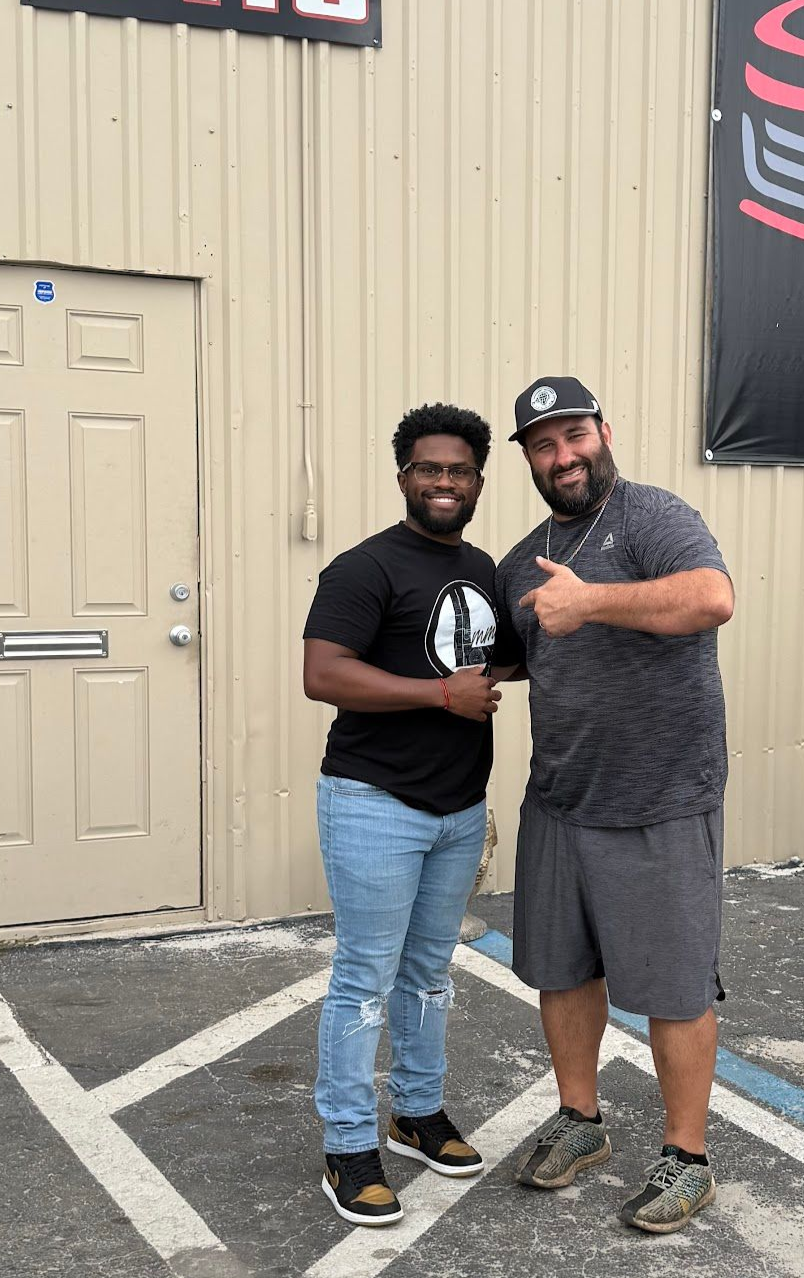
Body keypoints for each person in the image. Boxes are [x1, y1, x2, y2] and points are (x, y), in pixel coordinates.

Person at [494, 375, 736, 1234]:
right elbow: (519, 659)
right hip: (562, 797)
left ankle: (687, 1158)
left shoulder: (651, 517)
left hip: (660, 796)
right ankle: (580, 1122)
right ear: (527, 458)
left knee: (673, 986)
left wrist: (590, 599)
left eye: (574, 436)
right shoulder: (520, 559)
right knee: (562, 970)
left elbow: (713, 598)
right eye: (543, 445)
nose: (564, 456)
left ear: (603, 431)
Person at [301, 403, 519, 1226]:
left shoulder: (485, 567)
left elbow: (497, 656)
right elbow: (323, 675)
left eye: (458, 471)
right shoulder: (364, 569)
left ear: (476, 483)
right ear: (404, 478)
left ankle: (417, 1114)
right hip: (374, 801)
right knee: (365, 979)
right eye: (429, 469)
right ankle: (349, 1147)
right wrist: (439, 694)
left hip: (459, 807)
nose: (444, 482)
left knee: (429, 975)